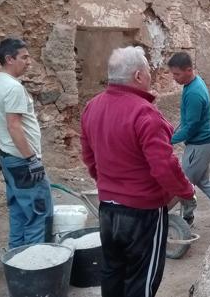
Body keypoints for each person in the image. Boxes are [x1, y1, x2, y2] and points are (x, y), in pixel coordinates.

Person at [80, 46, 194, 297]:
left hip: (108, 208)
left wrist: (110, 185)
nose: (150, 76)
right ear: (139, 76)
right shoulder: (144, 113)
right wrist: (186, 191)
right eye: (148, 71)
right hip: (142, 214)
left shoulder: (92, 107)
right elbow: (164, 166)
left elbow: (89, 158)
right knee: (142, 279)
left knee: (113, 270)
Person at [0, 37, 53, 249]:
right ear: (9, 59)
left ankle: (16, 260)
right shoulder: (13, 88)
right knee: (37, 213)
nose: (29, 61)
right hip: (21, 161)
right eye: (24, 57)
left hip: (7, 157)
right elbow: (14, 126)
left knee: (18, 211)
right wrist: (32, 159)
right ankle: (35, 267)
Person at [167, 52, 210, 226]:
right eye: (172, 74)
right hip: (205, 144)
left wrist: (169, 140)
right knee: (203, 181)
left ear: (189, 70)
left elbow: (190, 127)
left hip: (199, 147)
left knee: (182, 186)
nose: (174, 78)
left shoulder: (194, 93)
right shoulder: (193, 83)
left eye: (177, 74)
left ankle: (184, 217)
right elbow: (187, 120)